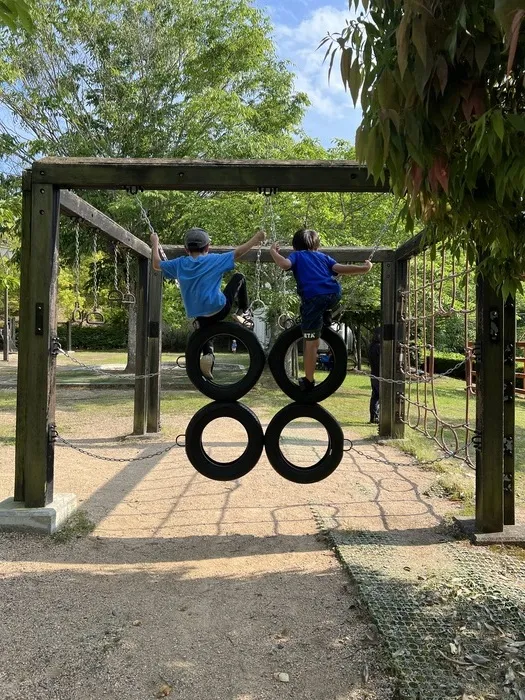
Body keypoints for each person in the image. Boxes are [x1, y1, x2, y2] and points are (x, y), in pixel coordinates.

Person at [151, 227, 265, 379]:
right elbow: (238, 252)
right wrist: (256, 239)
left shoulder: (179, 264)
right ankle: (242, 311)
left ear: (186, 249)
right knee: (239, 277)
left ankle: (208, 354)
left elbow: (156, 264)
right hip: (219, 309)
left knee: (204, 330)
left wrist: (155, 242)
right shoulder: (214, 259)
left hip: (199, 315)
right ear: (207, 247)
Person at [269, 228, 372, 391]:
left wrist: (273, 252)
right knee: (316, 309)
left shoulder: (297, 256)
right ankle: (326, 315)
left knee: (311, 342)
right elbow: (340, 268)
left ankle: (309, 380)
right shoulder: (323, 257)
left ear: (295, 247)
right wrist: (363, 269)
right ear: (317, 246)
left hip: (313, 298)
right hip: (334, 294)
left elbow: (283, 264)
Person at [368, 327, 381, 424]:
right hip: (380, 374)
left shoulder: (371, 346)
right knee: (381, 396)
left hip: (373, 373)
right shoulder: (379, 347)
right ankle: (377, 417)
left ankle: (373, 416)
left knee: (375, 396)